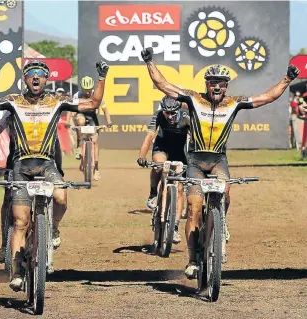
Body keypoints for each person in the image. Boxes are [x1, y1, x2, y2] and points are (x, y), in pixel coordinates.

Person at [140, 47, 300, 278]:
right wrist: (149, 62)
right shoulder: (193, 99)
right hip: (195, 161)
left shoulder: (234, 102)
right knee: (194, 208)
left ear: (226, 86)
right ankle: (193, 259)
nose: (217, 87)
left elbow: (267, 97)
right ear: (207, 84)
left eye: (222, 83)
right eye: (213, 82)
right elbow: (163, 85)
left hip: (218, 161)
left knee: (225, 192)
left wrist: (287, 79)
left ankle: (220, 221)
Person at [0, 57, 109, 291]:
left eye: (40, 73)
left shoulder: (58, 101)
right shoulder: (13, 102)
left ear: (46, 79)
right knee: (20, 222)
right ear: (25, 78)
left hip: (47, 165)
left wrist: (102, 77)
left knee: (62, 198)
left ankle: (52, 228)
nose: (35, 76)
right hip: (20, 166)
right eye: (31, 72)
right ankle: (16, 270)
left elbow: (93, 103)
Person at [0, 110, 64, 264]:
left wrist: (59, 167)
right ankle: (5, 244)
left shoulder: (45, 115)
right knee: (8, 199)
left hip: (44, 163)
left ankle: (50, 228)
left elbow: (56, 143)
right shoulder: (12, 112)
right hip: (16, 163)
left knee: (54, 194)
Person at [137, 95, 190, 244]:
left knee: (180, 190)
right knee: (159, 166)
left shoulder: (187, 117)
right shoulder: (159, 115)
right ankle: (153, 192)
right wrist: (141, 156)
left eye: (173, 113)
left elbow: (194, 141)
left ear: (179, 110)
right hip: (162, 147)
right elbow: (149, 137)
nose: (170, 116)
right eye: (167, 112)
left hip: (180, 151)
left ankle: (174, 227)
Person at [67, 75, 113, 181]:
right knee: (81, 121)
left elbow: (105, 109)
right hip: (80, 114)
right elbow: (70, 109)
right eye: (85, 90)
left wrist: (109, 122)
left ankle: (96, 169)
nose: (87, 93)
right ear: (81, 88)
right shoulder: (77, 95)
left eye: (89, 90)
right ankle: (79, 147)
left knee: (95, 141)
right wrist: (67, 121)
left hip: (92, 117)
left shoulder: (96, 94)